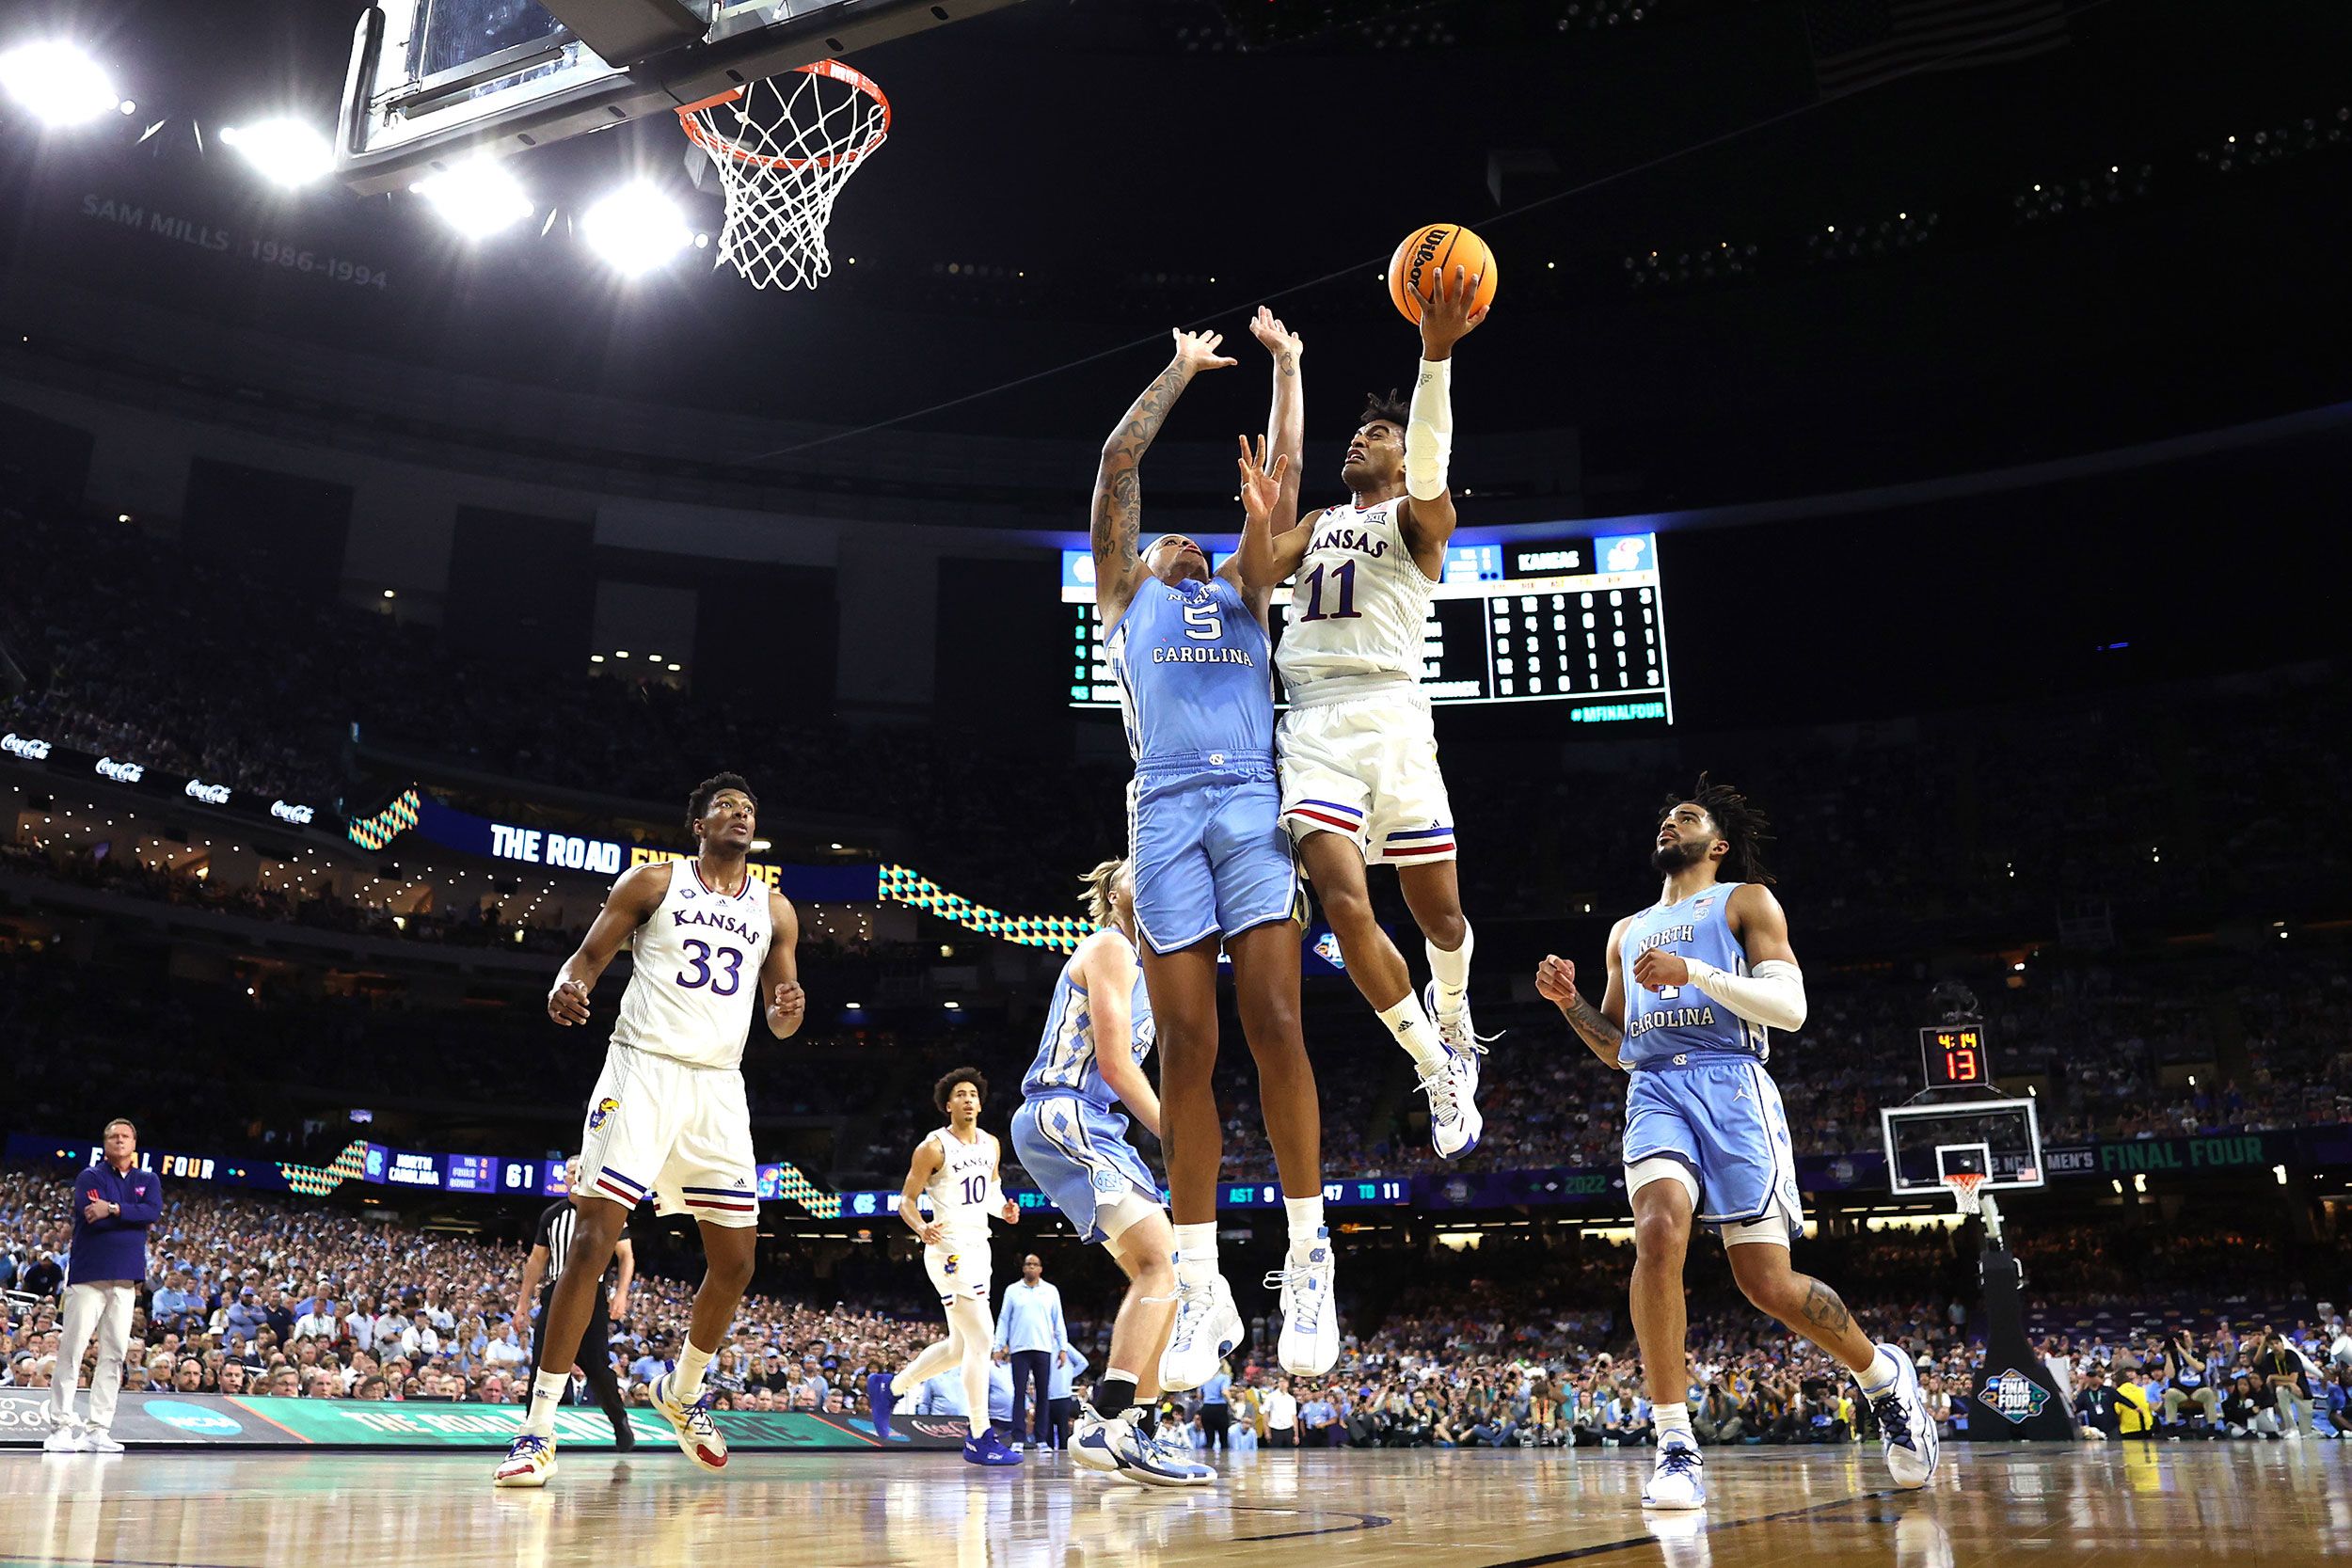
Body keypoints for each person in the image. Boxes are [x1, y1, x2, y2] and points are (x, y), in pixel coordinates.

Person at [1536, 778, 1938, 1511]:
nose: (1670, 822)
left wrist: (1697, 972)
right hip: (1655, 1089)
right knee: (1657, 1233)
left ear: (1716, 844)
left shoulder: (1745, 900)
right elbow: (1621, 1048)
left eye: (1685, 817)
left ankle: (1884, 1376)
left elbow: (1790, 1008)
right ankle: (1675, 1442)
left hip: (1734, 1085)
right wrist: (1571, 1006)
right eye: (1664, 816)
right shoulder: (1624, 930)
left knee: (1766, 1284)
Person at [1089, 320, 1334, 1383]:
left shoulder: (1242, 591)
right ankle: (1197, 1286)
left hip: (1246, 801)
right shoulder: (1126, 597)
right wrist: (1182, 371)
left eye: (1197, 538)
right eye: (1165, 539)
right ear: (1137, 562)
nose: (1182, 541)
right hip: (1164, 812)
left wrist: (1285, 364)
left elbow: (1277, 479)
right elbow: (1117, 463)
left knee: (1274, 1017)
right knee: (1184, 1050)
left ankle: (1307, 1252)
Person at [1233, 278, 1491, 1161]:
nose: (1361, 440)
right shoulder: (1317, 522)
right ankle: (1433, 1068)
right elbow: (1256, 570)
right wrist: (1286, 378)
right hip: (1312, 724)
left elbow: (1428, 455)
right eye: (1359, 431)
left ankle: (1455, 1018)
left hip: (1393, 718)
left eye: (1375, 434)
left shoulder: (1425, 518)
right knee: (1344, 907)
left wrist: (1436, 355)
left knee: (1443, 923)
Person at [494, 772, 805, 1488]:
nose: (740, 815)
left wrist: (789, 1006)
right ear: (698, 822)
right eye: (726, 807)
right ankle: (537, 1428)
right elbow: (589, 958)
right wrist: (565, 986)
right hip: (641, 1070)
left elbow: (782, 1021)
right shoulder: (652, 883)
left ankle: (683, 1390)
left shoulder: (775, 909)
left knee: (736, 1263)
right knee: (594, 1241)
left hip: (719, 1086)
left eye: (749, 809)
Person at [1009, 856, 1213, 1486]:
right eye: (1135, 867)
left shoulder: (1154, 970)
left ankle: (1130, 1433)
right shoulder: (1109, 946)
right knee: (1162, 1260)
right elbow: (1119, 1067)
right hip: (1063, 1109)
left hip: (1095, 1122)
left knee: (1166, 1276)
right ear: (1111, 892)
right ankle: (1104, 1419)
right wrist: (1181, 1139)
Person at [866, 1067, 1023, 1467]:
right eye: (960, 1094)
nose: (968, 1099)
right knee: (983, 1341)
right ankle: (979, 1434)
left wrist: (1003, 1209)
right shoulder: (932, 1147)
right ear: (947, 1104)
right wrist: (921, 1226)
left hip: (979, 1247)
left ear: (980, 1103)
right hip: (948, 1250)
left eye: (973, 1094)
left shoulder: (991, 1144)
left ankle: (891, 1388)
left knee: (959, 1349)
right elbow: (905, 1200)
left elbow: (989, 1192)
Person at [44, 1117, 161, 1454]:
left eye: (125, 1136)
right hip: (88, 1277)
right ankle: (61, 1427)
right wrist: (128, 1215)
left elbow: (150, 1211)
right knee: (72, 1351)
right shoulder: (89, 1176)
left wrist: (112, 1209)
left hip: (125, 1281)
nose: (119, 1140)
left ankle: (98, 1429)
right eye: (112, 1136)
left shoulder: (147, 1179)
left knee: (114, 1355)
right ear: (105, 1144)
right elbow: (91, 1216)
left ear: (134, 1143)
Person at [515, 1158, 637, 1450]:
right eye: (572, 1172)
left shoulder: (608, 1213)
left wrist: (621, 1293)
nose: (577, 1175)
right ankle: (534, 1432)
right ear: (565, 1178)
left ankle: (619, 1421)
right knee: (541, 1363)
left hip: (593, 1294)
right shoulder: (552, 1215)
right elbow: (536, 1262)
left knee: (596, 1366)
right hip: (555, 1291)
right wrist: (522, 1303)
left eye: (582, 1170)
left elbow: (626, 1255)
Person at [994, 1254, 1065, 1452]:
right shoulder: (1012, 1291)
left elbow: (1058, 1320)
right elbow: (1003, 1319)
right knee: (1019, 1393)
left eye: (1035, 1265)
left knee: (1043, 1394)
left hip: (1043, 1348)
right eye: (1028, 1264)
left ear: (1040, 1269)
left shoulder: (1051, 1291)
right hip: (1019, 1348)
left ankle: (1041, 1440)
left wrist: (1063, 1348)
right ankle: (1018, 1438)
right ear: (1023, 1268)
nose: (1031, 1267)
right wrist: (998, 1346)